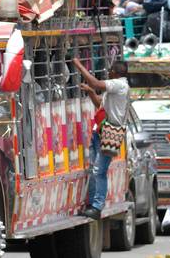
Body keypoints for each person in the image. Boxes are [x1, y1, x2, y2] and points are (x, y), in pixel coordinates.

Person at [72, 57, 130, 220]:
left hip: (110, 134)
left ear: (115, 73)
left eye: (110, 71)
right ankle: (92, 205)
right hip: (101, 132)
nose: (108, 73)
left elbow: (97, 84)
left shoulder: (119, 85)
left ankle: (97, 206)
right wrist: (90, 92)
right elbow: (100, 105)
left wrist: (79, 65)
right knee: (94, 170)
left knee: (100, 170)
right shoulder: (114, 88)